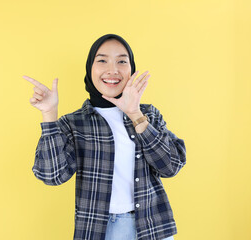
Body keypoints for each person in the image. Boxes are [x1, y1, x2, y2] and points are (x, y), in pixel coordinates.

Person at [23, 33, 186, 240]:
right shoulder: (74, 123)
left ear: (131, 69)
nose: (113, 70)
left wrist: (135, 113)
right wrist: (49, 114)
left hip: (153, 227)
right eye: (102, 60)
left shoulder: (148, 114)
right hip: (100, 230)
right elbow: (52, 176)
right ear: (89, 69)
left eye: (121, 61)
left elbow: (171, 166)